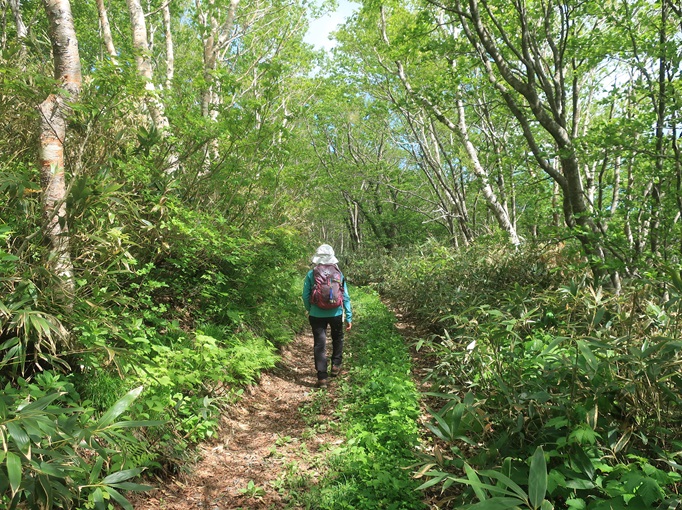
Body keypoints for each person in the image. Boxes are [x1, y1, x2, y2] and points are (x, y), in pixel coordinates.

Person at [302, 244, 352, 388]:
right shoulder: (338, 273)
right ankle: (336, 365)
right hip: (336, 313)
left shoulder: (311, 274)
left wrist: (310, 309)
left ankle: (322, 378)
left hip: (316, 314)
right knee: (337, 338)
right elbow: (345, 296)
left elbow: (305, 295)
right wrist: (348, 316)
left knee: (320, 344)